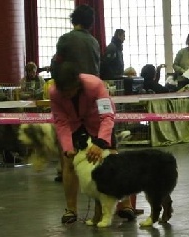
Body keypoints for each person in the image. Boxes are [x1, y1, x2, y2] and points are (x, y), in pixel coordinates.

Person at [50, 62, 134, 224]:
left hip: (98, 123)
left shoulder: (95, 85)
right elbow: (61, 122)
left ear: (77, 83)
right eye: (63, 92)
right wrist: (67, 148)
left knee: (114, 160)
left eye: (70, 91)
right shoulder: (55, 93)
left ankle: (125, 205)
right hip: (75, 126)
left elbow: (107, 116)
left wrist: (101, 142)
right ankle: (71, 210)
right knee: (68, 164)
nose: (66, 95)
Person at [51, 4, 100, 78]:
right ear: (90, 23)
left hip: (72, 86)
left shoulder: (65, 39)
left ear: (73, 19)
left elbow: (57, 68)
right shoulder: (95, 42)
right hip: (92, 85)